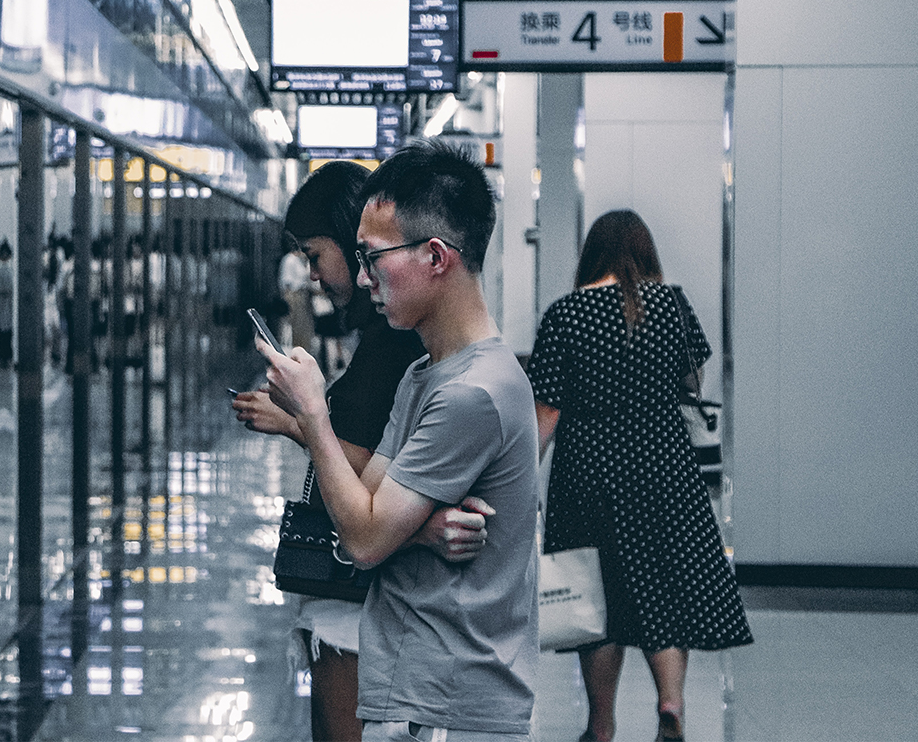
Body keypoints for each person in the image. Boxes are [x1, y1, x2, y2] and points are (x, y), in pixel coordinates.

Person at [259, 142, 539, 742]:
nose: (363, 278)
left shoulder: (473, 393)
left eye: (373, 258)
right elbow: (367, 504)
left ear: (436, 257)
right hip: (415, 689)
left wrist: (310, 412)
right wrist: (421, 525)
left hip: (450, 705)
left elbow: (361, 537)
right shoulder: (424, 374)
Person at [528, 210, 752, 742]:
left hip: (589, 471)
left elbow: (548, 412)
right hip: (663, 464)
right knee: (664, 589)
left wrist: (514, 483)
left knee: (595, 596)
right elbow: (692, 376)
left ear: (592, 254)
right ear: (646, 253)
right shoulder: (671, 305)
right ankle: (670, 704)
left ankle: (600, 724)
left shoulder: (567, 314)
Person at [0, 238, 14, 369]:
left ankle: (4, 356)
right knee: (4, 330)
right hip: (4, 304)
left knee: (4, 330)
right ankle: (4, 356)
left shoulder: (6, 270)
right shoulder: (3, 270)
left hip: (5, 304)